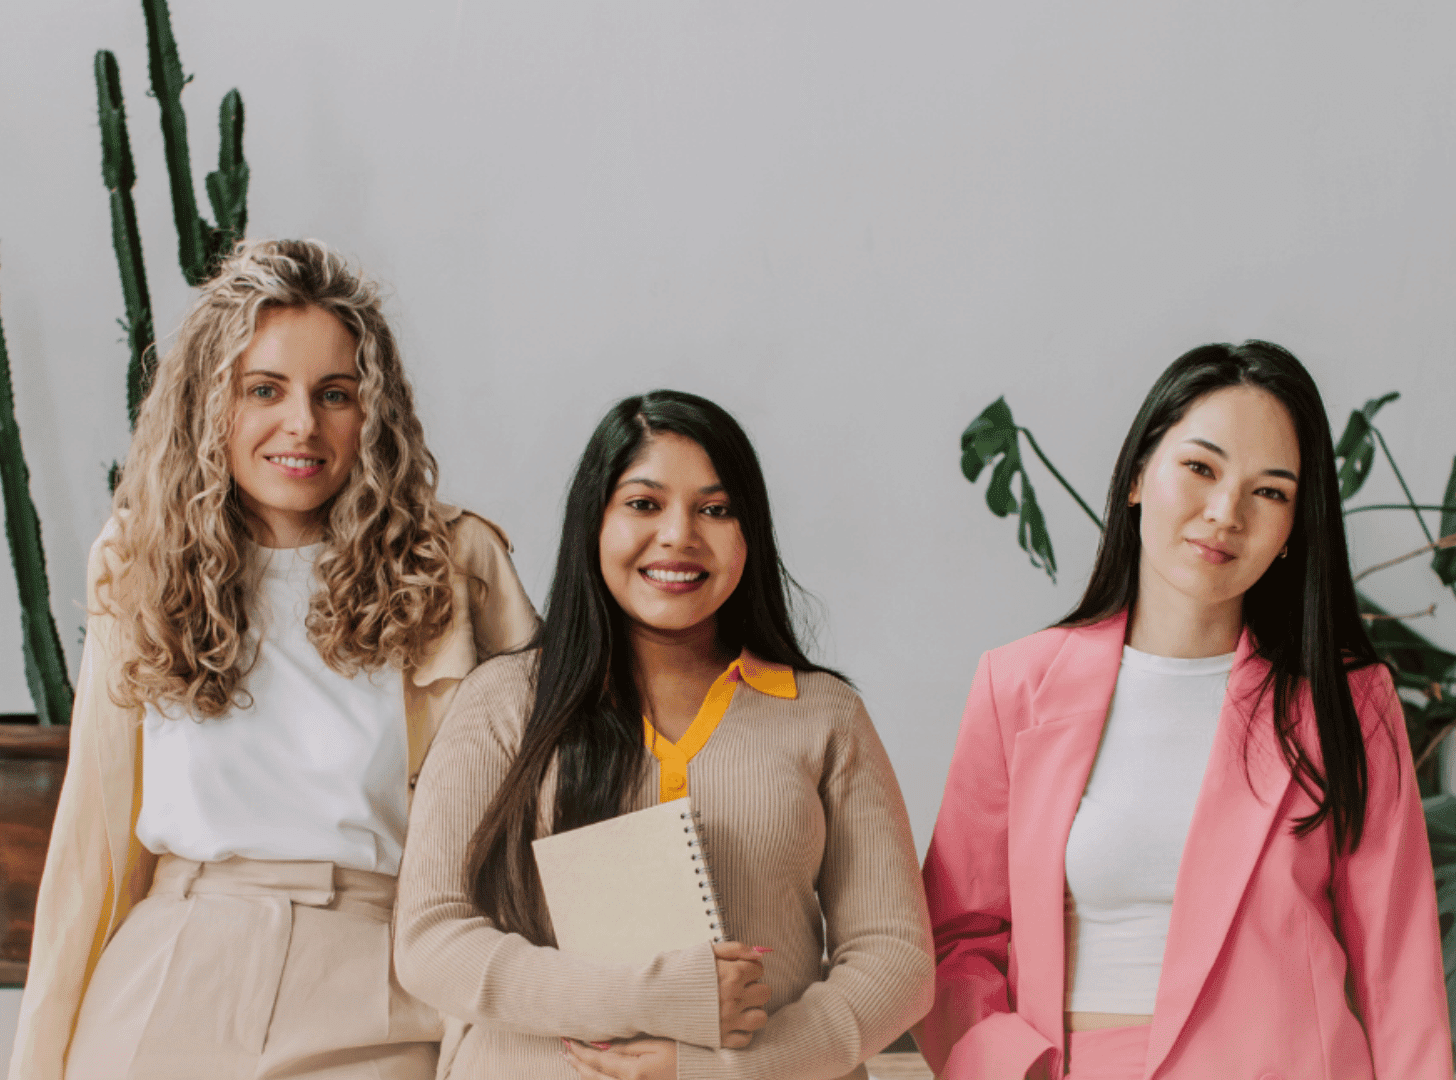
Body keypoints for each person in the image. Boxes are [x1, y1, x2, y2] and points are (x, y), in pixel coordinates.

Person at [9, 239, 538, 1080]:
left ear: (375, 415)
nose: (303, 425)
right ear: (210, 403)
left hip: (379, 971)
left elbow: (552, 800)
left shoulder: (453, 563)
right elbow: (91, 847)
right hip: (169, 967)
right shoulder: (138, 558)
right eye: (265, 389)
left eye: (336, 394)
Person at [918, 341, 1451, 1080]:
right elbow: (954, 940)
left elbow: (1401, 973)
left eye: (1270, 492)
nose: (1225, 513)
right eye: (1200, 468)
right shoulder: (1017, 686)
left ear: (1296, 527)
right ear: (1139, 475)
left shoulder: (1350, 699)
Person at [394, 389, 933, 1079]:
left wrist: (730, 1069)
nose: (680, 534)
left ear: (750, 534)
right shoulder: (504, 702)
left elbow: (897, 959)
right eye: (644, 504)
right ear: (594, 521)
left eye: (715, 509)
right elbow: (430, 939)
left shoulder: (823, 714)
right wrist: (652, 996)